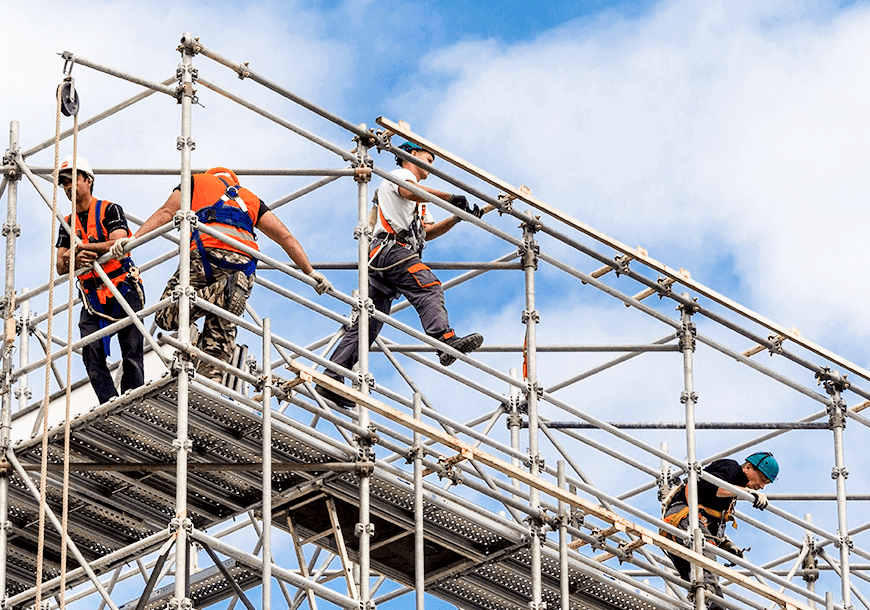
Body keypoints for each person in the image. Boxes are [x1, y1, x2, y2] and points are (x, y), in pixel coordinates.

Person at [114, 167, 332, 382]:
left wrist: (132, 241)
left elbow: (166, 212)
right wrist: (310, 273)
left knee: (165, 315)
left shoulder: (197, 182)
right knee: (220, 334)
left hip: (205, 255)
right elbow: (285, 237)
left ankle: (226, 291)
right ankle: (210, 385)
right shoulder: (250, 199)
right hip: (244, 268)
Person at [316, 141, 484, 408]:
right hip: (391, 251)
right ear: (411, 155)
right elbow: (409, 190)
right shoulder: (401, 177)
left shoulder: (420, 201)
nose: (430, 167)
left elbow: (427, 232)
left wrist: (456, 216)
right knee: (428, 286)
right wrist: (450, 198)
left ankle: (332, 377)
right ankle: (444, 340)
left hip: (387, 257)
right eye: (427, 160)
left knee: (369, 323)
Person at [55, 155, 145, 404]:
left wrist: (89, 249)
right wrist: (75, 257)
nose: (68, 187)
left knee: (131, 349)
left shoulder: (109, 209)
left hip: (122, 286)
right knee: (91, 351)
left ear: (89, 180)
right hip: (93, 295)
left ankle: (133, 401)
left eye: (72, 180)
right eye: (63, 183)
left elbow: (120, 244)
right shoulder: (67, 223)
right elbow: (61, 266)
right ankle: (109, 402)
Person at [661, 451, 779, 609]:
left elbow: (713, 523)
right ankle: (712, 601)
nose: (762, 486)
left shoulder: (730, 496)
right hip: (682, 517)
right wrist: (748, 492)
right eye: (762, 479)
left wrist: (725, 543)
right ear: (748, 467)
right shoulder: (731, 467)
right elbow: (711, 487)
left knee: (695, 576)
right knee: (705, 556)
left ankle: (712, 604)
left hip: (682, 526)